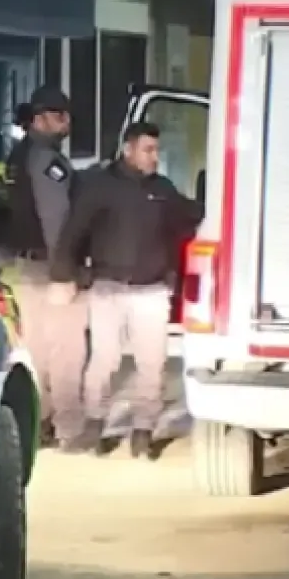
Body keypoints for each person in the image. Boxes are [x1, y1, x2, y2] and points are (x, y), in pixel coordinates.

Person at [49, 122, 204, 459]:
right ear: (128, 149)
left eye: (156, 150)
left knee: (152, 362)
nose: (154, 157)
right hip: (108, 288)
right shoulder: (101, 186)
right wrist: (65, 274)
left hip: (151, 290)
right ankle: (95, 422)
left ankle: (143, 429)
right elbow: (74, 231)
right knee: (104, 360)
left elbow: (190, 218)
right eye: (148, 150)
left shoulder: (162, 189)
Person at [4, 86, 91, 452]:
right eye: (58, 116)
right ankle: (68, 428)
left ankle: (38, 423)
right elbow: (56, 218)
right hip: (49, 269)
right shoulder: (46, 161)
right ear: (39, 119)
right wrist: (65, 271)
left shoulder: (18, 156)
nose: (66, 122)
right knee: (66, 352)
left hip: (26, 268)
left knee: (36, 350)